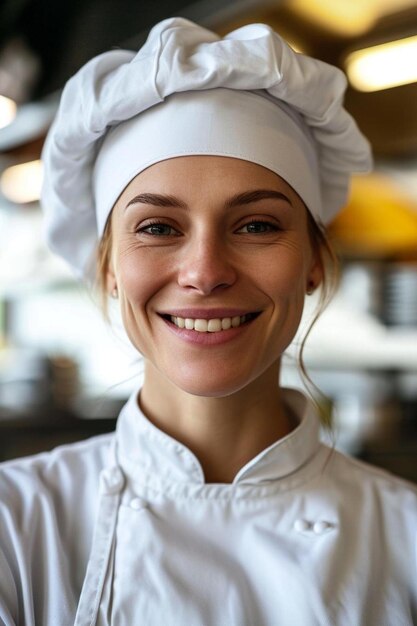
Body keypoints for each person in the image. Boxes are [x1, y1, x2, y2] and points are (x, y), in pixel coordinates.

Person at [0, 16, 416, 626]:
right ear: (110, 267)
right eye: (158, 228)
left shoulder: (404, 541)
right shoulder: (16, 525)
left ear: (313, 264)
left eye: (257, 225)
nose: (205, 271)